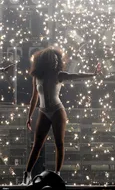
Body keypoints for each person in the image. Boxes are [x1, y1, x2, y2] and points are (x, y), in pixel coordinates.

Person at [22, 47, 101, 185]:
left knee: (59, 143)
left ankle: (57, 174)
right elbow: (34, 97)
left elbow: (75, 75)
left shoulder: (59, 74)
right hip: (43, 111)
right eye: (51, 59)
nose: (54, 61)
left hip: (58, 110)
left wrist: (93, 74)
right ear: (45, 61)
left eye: (56, 59)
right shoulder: (37, 76)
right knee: (37, 145)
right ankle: (27, 174)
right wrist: (29, 116)